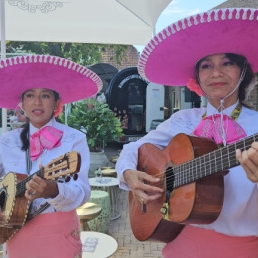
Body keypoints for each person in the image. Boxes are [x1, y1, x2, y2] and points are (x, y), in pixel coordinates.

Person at [116, 8, 258, 257]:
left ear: (243, 71)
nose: (216, 73)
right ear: (197, 77)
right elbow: (132, 148)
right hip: (183, 241)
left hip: (244, 247)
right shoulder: (183, 120)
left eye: (227, 63)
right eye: (206, 66)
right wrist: (129, 174)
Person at [0, 54, 102, 257]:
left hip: (59, 233)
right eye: (30, 95)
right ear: (22, 103)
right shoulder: (6, 141)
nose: (37, 102)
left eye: (45, 95)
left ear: (56, 103)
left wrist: (54, 190)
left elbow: (82, 193)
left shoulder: (74, 139)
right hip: (15, 232)